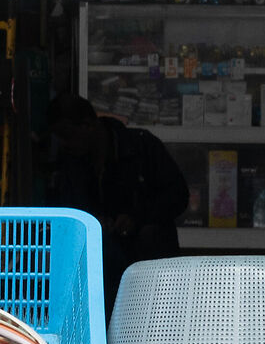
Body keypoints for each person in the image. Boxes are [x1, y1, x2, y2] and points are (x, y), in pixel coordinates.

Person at [47, 94, 189, 301]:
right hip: (99, 267)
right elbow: (63, 209)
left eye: (67, 135)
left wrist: (136, 218)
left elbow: (178, 195)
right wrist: (93, 220)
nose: (64, 144)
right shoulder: (68, 163)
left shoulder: (142, 146)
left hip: (150, 265)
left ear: (88, 125)